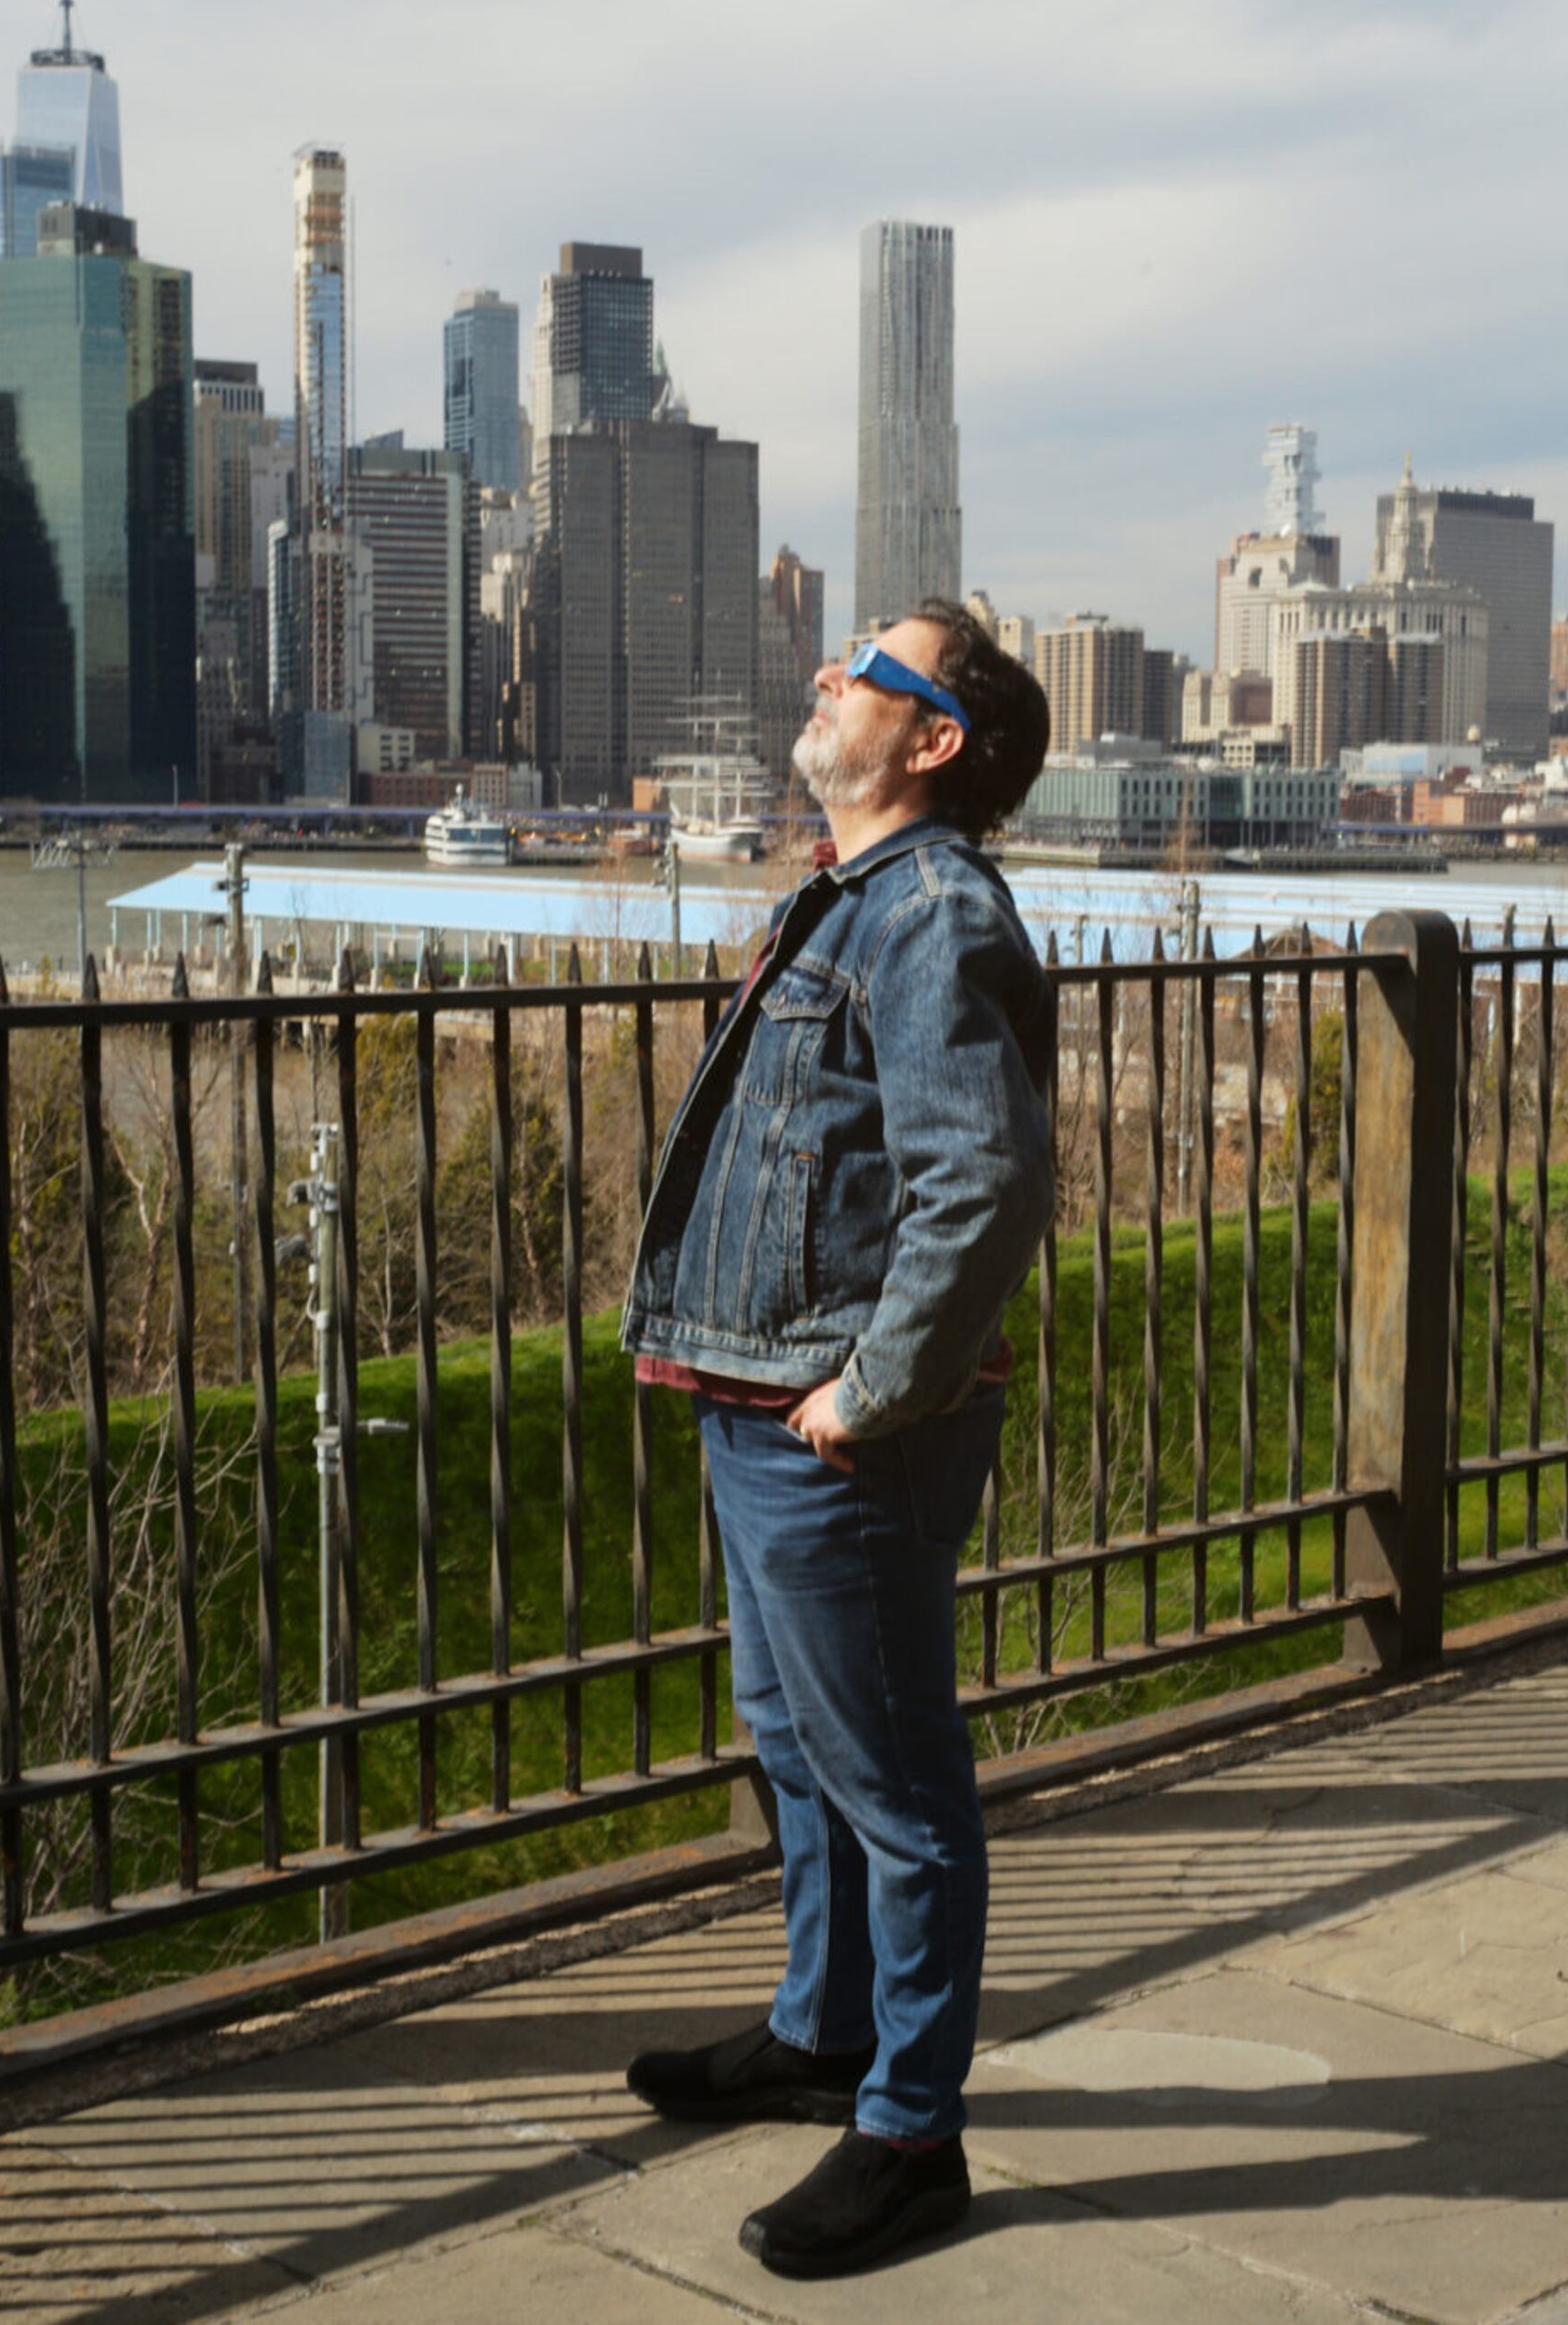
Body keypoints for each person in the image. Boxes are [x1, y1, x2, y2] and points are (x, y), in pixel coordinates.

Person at [614, 602, 1056, 2281]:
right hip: (760, 1395)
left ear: (930, 740)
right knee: (794, 1744)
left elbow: (988, 1181)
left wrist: (870, 1393)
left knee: (898, 1785)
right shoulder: (854, 897)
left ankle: (911, 2132)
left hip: (839, 1428)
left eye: (867, 669)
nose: (826, 679)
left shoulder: (932, 909)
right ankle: (821, 2031)